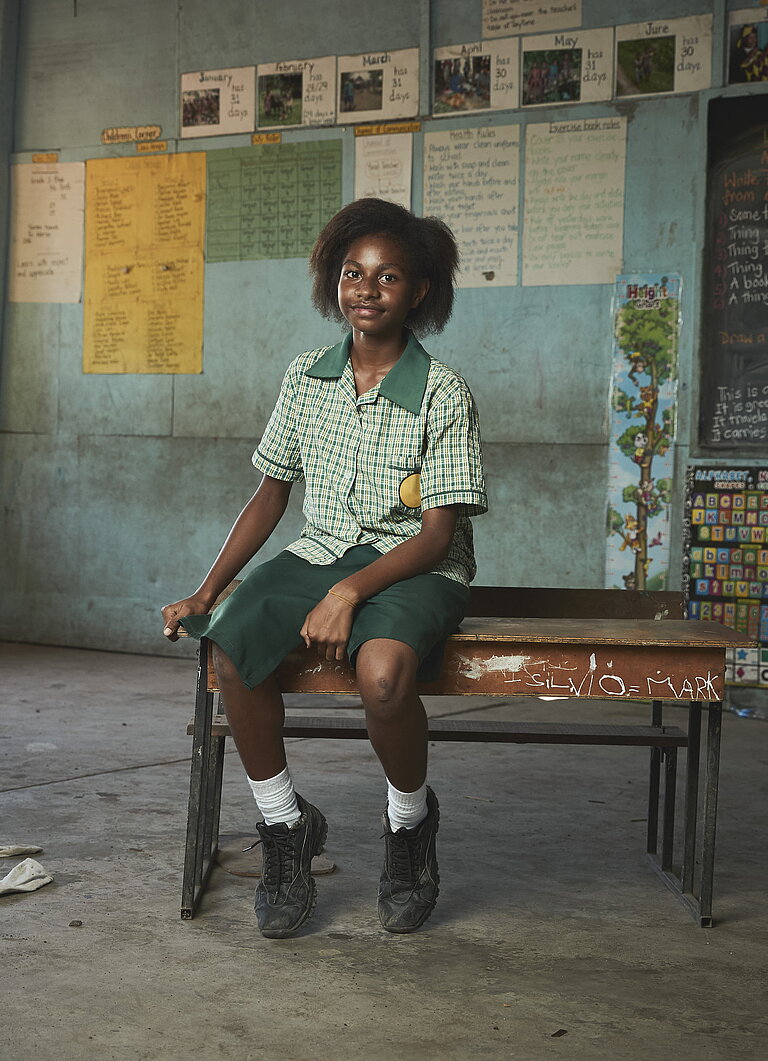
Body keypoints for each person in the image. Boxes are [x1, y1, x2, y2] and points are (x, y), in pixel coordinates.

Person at [161, 198, 487, 939]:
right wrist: (207, 592)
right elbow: (271, 492)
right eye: (352, 274)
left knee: (383, 676)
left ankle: (409, 826)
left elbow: (439, 537)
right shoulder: (307, 377)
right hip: (321, 552)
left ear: (419, 292)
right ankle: (286, 825)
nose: (366, 290)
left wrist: (348, 592)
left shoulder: (443, 392)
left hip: (416, 567)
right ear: (334, 283)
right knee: (233, 646)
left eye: (387, 277)